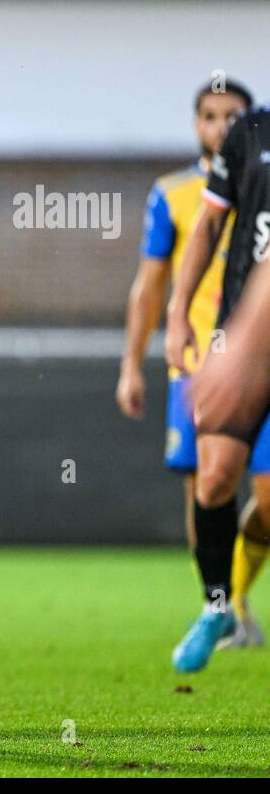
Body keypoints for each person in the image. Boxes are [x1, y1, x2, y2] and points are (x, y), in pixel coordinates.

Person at [117, 80, 263, 663]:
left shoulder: (260, 163)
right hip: (202, 361)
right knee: (206, 482)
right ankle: (222, 603)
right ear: (195, 123)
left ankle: (236, 594)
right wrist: (135, 362)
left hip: (257, 356)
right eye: (210, 115)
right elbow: (150, 284)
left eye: (233, 115)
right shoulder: (173, 193)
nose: (222, 125)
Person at [166, 85, 270, 672]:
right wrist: (180, 313)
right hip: (237, 342)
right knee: (213, 480)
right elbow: (208, 225)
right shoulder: (251, 133)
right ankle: (216, 605)